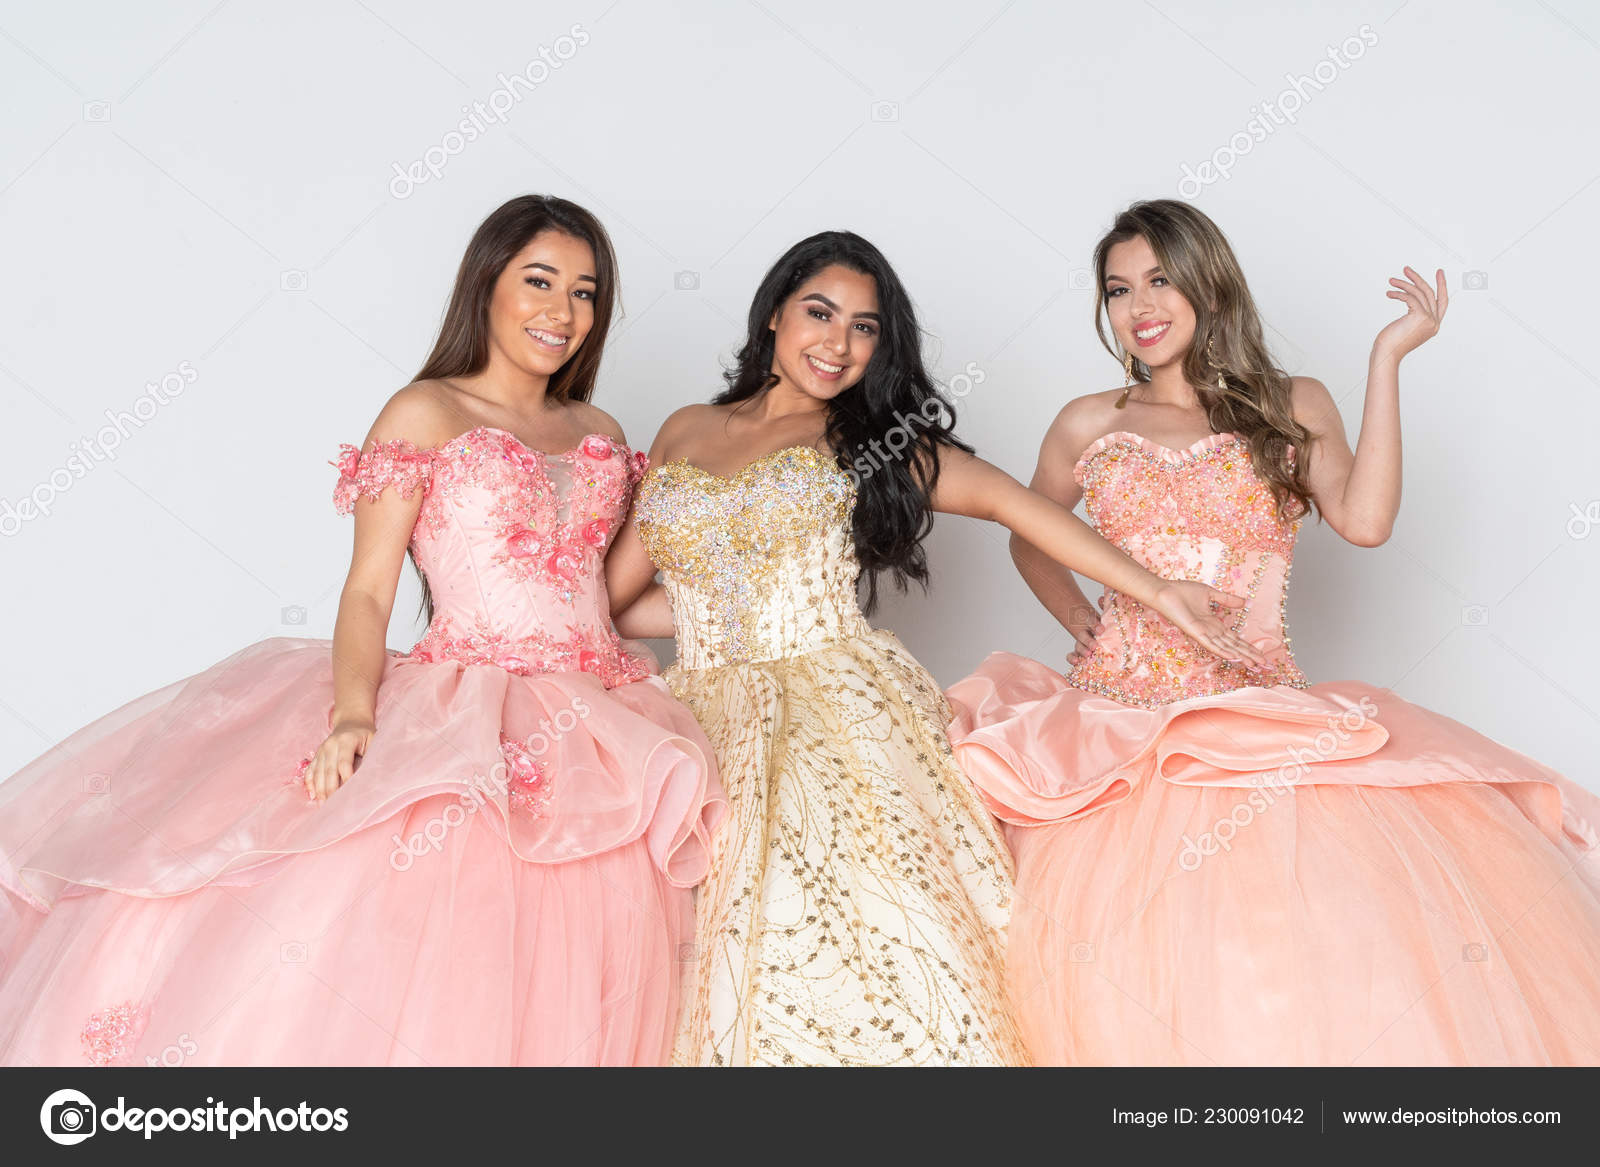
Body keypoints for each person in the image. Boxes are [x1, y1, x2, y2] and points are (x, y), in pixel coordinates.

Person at [0, 194, 724, 1067]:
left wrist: (758, 614)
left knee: (594, 955)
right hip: (468, 704)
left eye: (585, 292)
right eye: (539, 281)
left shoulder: (601, 433)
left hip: (602, 723)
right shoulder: (425, 411)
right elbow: (369, 594)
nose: (562, 311)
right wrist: (352, 712)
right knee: (435, 947)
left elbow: (599, 597)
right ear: (486, 283)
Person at [947, 198, 1600, 1065]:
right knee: (1115, 956)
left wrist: (1387, 358)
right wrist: (1083, 623)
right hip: (1117, 725)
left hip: (1259, 717)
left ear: (1208, 283)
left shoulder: (1291, 405)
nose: (1138, 306)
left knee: (1290, 951)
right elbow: (1029, 539)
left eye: (1160, 279)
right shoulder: (1087, 422)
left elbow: (1365, 521)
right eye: (1116, 289)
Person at [603, 229, 1266, 1066]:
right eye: (819, 312)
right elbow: (616, 603)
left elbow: (1015, 508)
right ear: (774, 313)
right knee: (699, 954)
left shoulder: (867, 445)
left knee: (861, 951)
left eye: (865, 327)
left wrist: (1157, 590)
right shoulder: (684, 430)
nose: (838, 342)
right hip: (699, 721)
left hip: (832, 723)